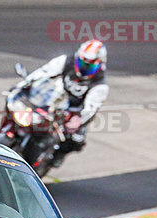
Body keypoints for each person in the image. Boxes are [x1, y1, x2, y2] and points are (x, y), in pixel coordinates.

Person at [18, 39, 109, 167]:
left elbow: (91, 109)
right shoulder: (65, 61)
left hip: (77, 111)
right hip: (57, 98)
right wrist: (24, 83)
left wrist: (79, 121)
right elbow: (44, 71)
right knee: (28, 112)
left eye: (89, 66)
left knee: (77, 140)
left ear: (100, 64)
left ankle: (59, 154)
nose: (84, 68)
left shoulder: (100, 86)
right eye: (82, 63)